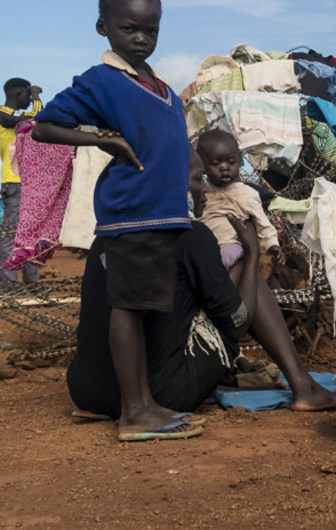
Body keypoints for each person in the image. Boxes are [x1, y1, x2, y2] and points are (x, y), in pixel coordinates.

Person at [33, 0, 206, 439]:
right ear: (102, 26)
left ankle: (144, 402)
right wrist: (99, 141)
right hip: (133, 214)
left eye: (151, 30)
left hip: (160, 216)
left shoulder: (157, 85)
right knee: (128, 309)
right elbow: (45, 126)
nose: (141, 38)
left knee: (142, 309)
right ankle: (134, 412)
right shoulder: (101, 81)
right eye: (129, 28)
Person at [67, 177, 336, 440]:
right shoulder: (190, 235)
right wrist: (251, 256)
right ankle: (303, 385)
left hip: (87, 391)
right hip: (164, 394)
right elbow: (237, 325)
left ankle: (292, 383)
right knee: (242, 275)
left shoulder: (105, 236)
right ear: (177, 184)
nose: (206, 188)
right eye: (198, 178)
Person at [194, 130, 283, 269]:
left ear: (239, 161)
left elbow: (262, 222)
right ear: (202, 165)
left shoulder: (246, 194)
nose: (224, 167)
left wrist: (272, 244)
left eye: (231, 162)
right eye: (215, 163)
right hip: (202, 244)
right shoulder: (201, 190)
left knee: (212, 268)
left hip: (229, 245)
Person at [0, 78, 43, 283]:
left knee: (32, 235)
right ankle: (9, 281)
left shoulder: (20, 118)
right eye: (27, 95)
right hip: (14, 183)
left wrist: (34, 99)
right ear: (17, 95)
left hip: (30, 183)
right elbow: (36, 115)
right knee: (12, 235)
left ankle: (31, 282)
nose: (30, 99)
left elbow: (37, 118)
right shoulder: (3, 114)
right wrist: (36, 98)